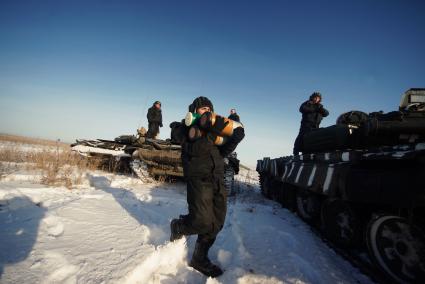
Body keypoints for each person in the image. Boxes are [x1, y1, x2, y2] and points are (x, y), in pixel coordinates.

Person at [169, 96, 245, 277]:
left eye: (209, 109)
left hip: (216, 178)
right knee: (201, 221)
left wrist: (234, 139)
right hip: (199, 179)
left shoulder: (213, 132)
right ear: (195, 111)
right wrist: (210, 135)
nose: (207, 111)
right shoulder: (186, 129)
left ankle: (199, 258)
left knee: (216, 223)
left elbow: (221, 153)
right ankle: (179, 226)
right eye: (203, 109)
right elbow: (194, 150)